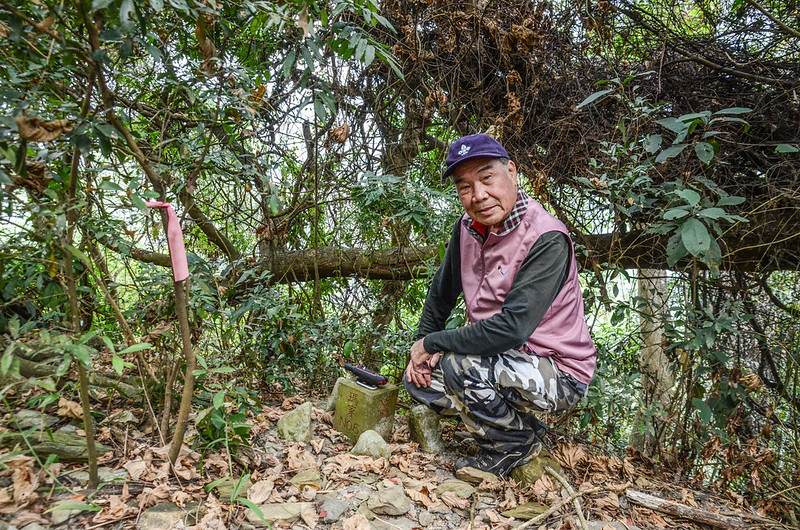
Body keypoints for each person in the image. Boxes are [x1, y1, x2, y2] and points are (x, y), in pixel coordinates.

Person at [404, 133, 596, 478]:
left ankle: (512, 445)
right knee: (421, 382)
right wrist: (420, 350)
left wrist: (433, 344)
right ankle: (522, 426)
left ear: (511, 171)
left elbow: (512, 329)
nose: (478, 195)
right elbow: (441, 295)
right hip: (500, 361)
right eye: (465, 187)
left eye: (487, 178)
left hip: (558, 371)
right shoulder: (466, 229)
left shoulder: (546, 237)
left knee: (460, 366)